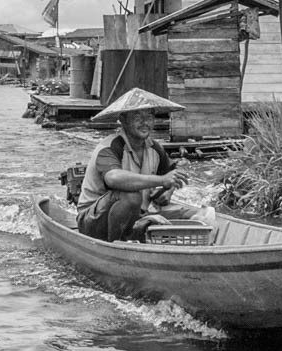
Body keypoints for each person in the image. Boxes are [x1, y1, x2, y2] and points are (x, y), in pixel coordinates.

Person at [76, 87, 215, 242]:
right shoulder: (109, 146)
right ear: (123, 119)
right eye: (137, 116)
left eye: (149, 116)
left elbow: (171, 174)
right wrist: (161, 180)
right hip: (92, 221)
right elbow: (113, 178)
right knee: (131, 196)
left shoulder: (154, 148)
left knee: (197, 214)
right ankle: (117, 245)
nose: (145, 122)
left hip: (136, 214)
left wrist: (167, 191)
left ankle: (136, 233)